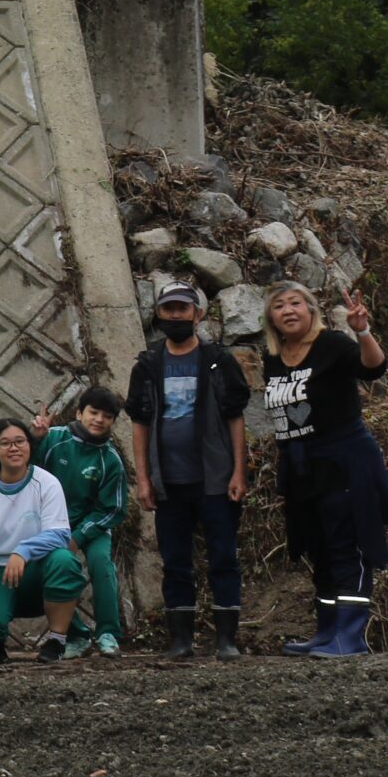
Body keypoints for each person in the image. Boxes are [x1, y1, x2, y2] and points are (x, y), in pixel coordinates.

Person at [261, 282, 388, 660]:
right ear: (271, 318)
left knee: (346, 544)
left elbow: (374, 368)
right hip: (302, 466)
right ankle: (327, 631)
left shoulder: (332, 345)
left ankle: (351, 636)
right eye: (279, 306)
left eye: (295, 303)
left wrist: (362, 331)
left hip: (344, 459)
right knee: (318, 547)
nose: (288, 310)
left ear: (310, 309)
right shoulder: (273, 357)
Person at [125, 280, 250, 659]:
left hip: (214, 477)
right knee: (175, 561)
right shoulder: (148, 365)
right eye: (169, 309)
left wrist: (238, 472)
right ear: (159, 315)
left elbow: (235, 418)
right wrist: (144, 479)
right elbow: (140, 423)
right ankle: (181, 640)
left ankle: (226, 640)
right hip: (169, 482)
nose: (176, 315)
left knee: (223, 558)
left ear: (198, 314)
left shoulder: (218, 362)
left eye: (183, 308)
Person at [0, 419, 86, 663]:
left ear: (29, 445)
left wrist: (23, 551)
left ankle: (57, 640)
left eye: (19, 441)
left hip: (34, 569)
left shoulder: (46, 483)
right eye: (4, 443)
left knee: (64, 560)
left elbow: (59, 534)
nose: (13, 448)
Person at [29, 386, 133, 657]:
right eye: (93, 412)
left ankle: (108, 633)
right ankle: (77, 636)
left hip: (91, 525)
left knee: (101, 564)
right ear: (79, 413)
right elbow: (29, 474)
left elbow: (113, 510)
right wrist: (35, 439)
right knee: (52, 567)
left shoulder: (111, 459)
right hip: (51, 523)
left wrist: (79, 536)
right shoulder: (53, 439)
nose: (99, 420)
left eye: (107, 416)